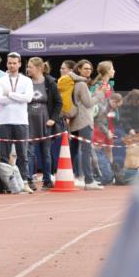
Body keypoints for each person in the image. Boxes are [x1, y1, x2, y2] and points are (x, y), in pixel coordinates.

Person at [0, 52, 35, 191]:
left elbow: (28, 98)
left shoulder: (26, 80)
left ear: (19, 64)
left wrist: (10, 94)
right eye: (9, 63)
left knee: (23, 154)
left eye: (14, 63)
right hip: (4, 121)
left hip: (21, 121)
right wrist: (18, 97)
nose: (12, 65)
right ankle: (7, 185)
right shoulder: (1, 81)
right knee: (4, 154)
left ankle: (24, 182)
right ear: (6, 64)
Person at [26, 56, 62, 190]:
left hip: (45, 121)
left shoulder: (50, 82)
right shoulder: (25, 81)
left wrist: (53, 118)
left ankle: (47, 180)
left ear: (39, 68)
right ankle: (29, 180)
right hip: (29, 120)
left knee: (46, 152)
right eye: (27, 67)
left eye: (30, 67)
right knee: (29, 152)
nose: (27, 69)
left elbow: (59, 102)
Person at [68, 59, 102, 190]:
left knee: (73, 150)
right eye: (85, 68)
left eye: (90, 69)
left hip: (75, 121)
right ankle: (89, 180)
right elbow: (88, 103)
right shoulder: (81, 84)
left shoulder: (76, 82)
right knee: (86, 151)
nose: (88, 71)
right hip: (84, 121)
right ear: (79, 69)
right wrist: (99, 95)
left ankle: (65, 175)